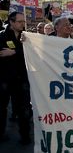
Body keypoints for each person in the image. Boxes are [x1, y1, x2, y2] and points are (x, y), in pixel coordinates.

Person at [0, 12, 32, 144]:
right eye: (19, 22)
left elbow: (32, 53)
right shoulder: (1, 36)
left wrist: (14, 52)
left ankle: (25, 136)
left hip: (22, 79)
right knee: (1, 108)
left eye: (23, 22)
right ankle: (1, 134)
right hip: (4, 79)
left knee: (24, 109)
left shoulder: (27, 37)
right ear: (11, 22)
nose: (22, 24)